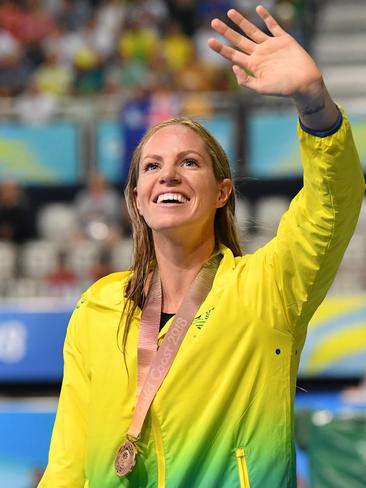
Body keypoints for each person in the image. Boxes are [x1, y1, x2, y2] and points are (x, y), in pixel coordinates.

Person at [38, 5, 365, 488]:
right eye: (151, 167)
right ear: (137, 200)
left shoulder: (268, 288)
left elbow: (330, 205)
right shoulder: (97, 308)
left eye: (189, 163)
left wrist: (313, 104)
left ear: (222, 192)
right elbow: (67, 464)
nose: (167, 174)